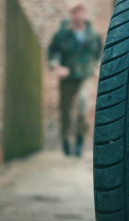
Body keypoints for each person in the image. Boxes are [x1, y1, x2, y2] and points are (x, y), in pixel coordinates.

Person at [48, 1, 102, 157]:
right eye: (75, 12)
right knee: (66, 111)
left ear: (84, 14)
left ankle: (79, 141)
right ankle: (65, 140)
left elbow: (99, 53)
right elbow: (52, 52)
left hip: (85, 76)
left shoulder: (92, 35)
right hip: (68, 77)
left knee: (83, 108)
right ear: (72, 15)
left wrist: (97, 67)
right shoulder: (62, 34)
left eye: (81, 12)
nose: (78, 15)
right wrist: (57, 67)